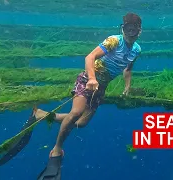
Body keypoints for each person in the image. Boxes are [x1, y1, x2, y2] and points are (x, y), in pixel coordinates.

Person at [32, 12, 141, 179]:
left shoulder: (136, 49)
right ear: (122, 28)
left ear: (139, 31)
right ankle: (57, 149)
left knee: (82, 122)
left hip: (101, 87)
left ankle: (41, 115)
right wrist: (91, 78)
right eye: (127, 28)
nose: (130, 33)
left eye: (134, 29)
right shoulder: (114, 40)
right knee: (76, 112)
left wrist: (127, 87)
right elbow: (90, 56)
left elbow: (128, 69)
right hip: (88, 80)